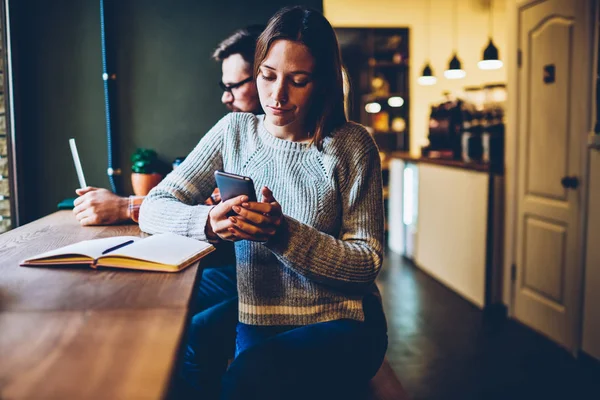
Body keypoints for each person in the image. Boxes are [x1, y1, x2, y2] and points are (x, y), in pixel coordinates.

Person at [139, 6, 387, 400]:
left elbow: (366, 263)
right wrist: (208, 222)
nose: (277, 95)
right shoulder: (235, 131)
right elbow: (155, 205)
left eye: (298, 80)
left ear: (322, 82)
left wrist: (283, 233)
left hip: (343, 320)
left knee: (243, 381)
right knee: (192, 347)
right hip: (260, 314)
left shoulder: (352, 145)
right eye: (268, 76)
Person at [72, 24, 264, 227]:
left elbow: (223, 206)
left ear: (264, 76)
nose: (226, 97)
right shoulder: (232, 130)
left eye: (233, 86)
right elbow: (208, 201)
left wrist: (124, 207)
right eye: (224, 87)